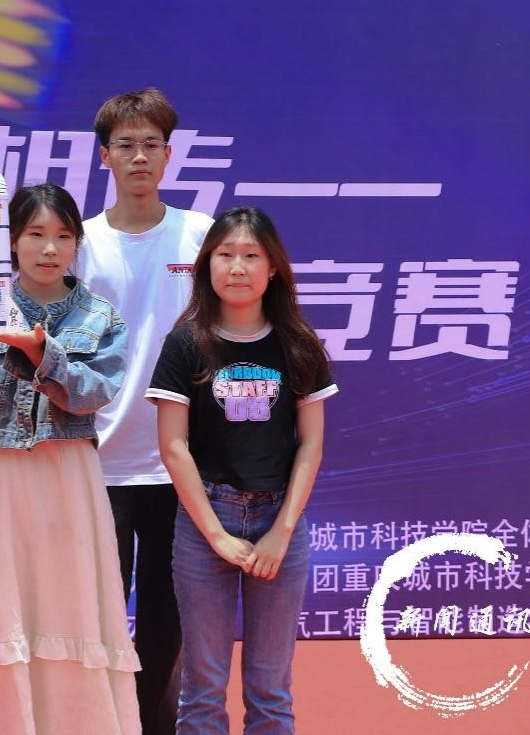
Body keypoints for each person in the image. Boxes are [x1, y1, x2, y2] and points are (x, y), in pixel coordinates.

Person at [0, 183, 140, 735]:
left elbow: (95, 393)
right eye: (36, 235)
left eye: (64, 236)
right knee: (5, 602)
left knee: (73, 599)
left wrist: (39, 350)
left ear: (77, 244)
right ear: (12, 241)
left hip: (69, 472)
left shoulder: (100, 315)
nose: (50, 249)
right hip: (3, 471)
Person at [145, 206, 337, 734]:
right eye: (225, 254)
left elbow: (311, 444)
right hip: (205, 524)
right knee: (202, 688)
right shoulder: (186, 343)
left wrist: (282, 532)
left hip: (279, 522)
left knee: (271, 689)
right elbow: (174, 448)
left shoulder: (297, 343)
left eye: (251, 255)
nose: (237, 267)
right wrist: (216, 536)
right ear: (206, 265)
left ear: (272, 267)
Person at [73, 86, 214, 733]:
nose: (138, 157)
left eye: (150, 144)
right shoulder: (81, 242)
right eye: (125, 145)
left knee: (167, 618)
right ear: (104, 155)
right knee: (96, 618)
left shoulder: (200, 235)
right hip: (96, 461)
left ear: (168, 154)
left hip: (179, 462)